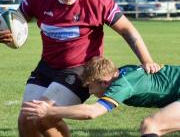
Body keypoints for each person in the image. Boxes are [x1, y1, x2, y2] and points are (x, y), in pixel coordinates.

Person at [0, 0, 160, 137]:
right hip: (47, 66)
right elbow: (15, 19)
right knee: (25, 119)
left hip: (80, 70)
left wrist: (147, 61)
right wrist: (6, 30)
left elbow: (127, 30)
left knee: (43, 117)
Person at [22, 56, 180, 137]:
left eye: (91, 86)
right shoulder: (120, 73)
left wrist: (49, 111)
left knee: (150, 125)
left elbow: (92, 112)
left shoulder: (123, 84)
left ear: (104, 82)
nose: (90, 92)